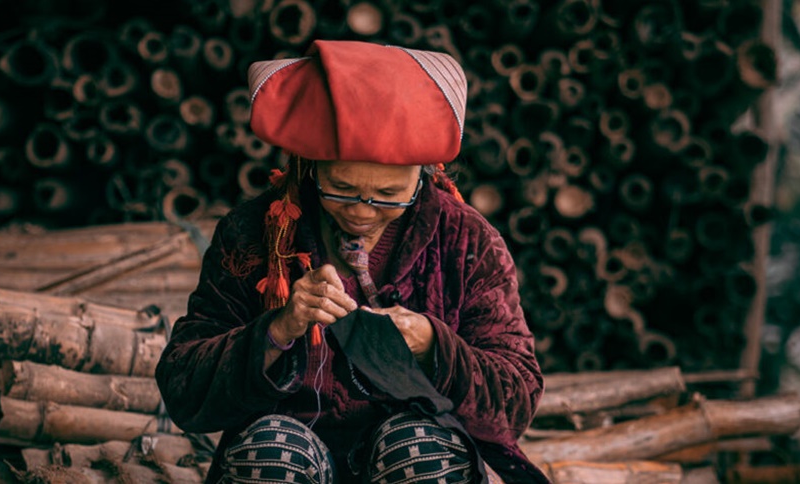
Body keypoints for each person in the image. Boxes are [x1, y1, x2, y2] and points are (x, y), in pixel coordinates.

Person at [156, 40, 548, 483]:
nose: (362, 211)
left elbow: (516, 398)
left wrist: (435, 346)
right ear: (311, 167)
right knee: (270, 455)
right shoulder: (254, 231)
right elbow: (181, 384)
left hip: (407, 457)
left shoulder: (465, 240)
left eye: (387, 196)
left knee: (420, 453)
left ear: (424, 177)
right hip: (289, 453)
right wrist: (276, 331)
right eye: (341, 188)